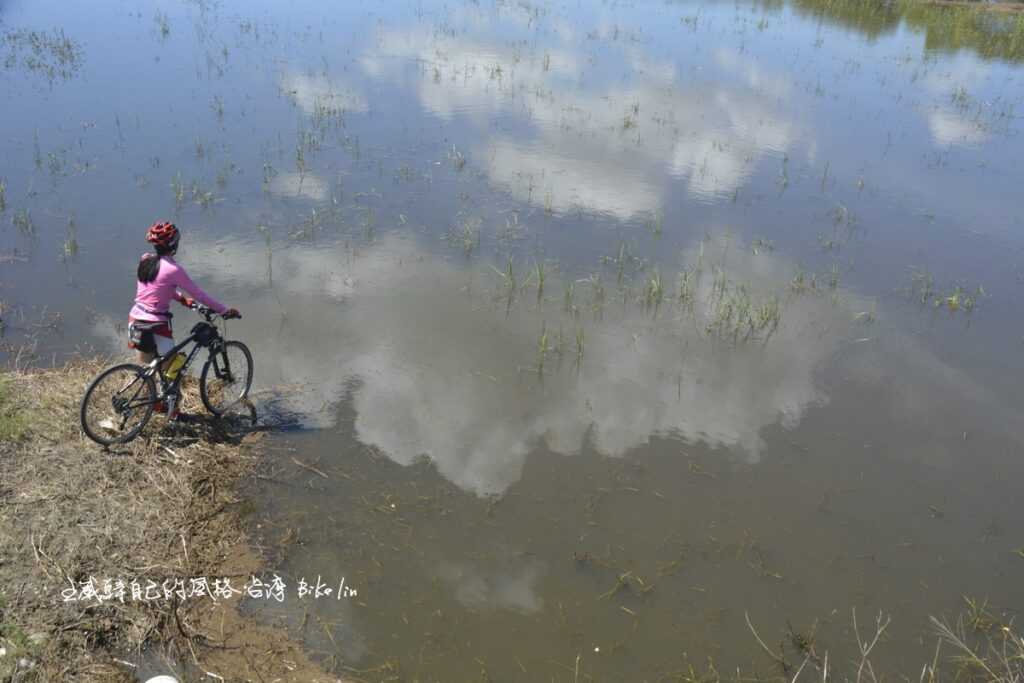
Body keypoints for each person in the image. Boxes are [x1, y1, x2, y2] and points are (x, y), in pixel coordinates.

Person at [128, 221, 239, 420]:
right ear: (174, 244)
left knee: (149, 368)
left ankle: (145, 405)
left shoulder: (145, 260)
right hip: (155, 325)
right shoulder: (173, 269)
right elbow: (199, 294)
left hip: (135, 320)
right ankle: (172, 411)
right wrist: (224, 310)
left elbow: (156, 289)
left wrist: (181, 300)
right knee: (176, 362)